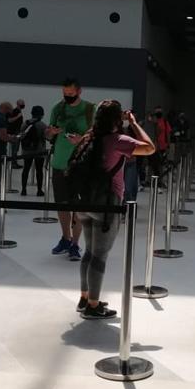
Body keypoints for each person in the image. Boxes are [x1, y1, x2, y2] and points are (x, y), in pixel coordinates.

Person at [73, 101, 155, 319]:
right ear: (118, 119)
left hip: (84, 202)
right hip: (106, 203)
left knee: (89, 251)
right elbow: (150, 147)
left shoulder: (88, 137)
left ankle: (85, 298)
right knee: (99, 256)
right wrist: (134, 123)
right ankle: (93, 306)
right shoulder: (118, 140)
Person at [47, 79, 95, 261]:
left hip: (81, 165)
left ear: (79, 91)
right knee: (62, 204)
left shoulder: (90, 109)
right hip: (59, 163)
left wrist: (81, 139)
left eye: (70, 93)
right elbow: (48, 133)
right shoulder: (57, 109)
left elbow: (96, 135)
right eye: (65, 93)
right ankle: (65, 238)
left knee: (79, 207)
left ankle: (75, 243)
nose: (67, 96)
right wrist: (51, 132)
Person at [20, 106, 48, 196]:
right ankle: (39, 190)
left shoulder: (25, 123)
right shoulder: (42, 125)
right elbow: (46, 137)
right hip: (39, 151)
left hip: (26, 150)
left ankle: (23, 189)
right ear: (42, 115)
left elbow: (21, 135)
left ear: (32, 113)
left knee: (26, 169)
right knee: (39, 170)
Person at [8, 99, 26, 168]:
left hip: (18, 131)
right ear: (18, 104)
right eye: (22, 103)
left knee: (16, 148)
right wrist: (18, 116)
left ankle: (14, 162)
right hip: (15, 132)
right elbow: (9, 120)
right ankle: (13, 163)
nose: (23, 105)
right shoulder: (15, 111)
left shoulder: (19, 111)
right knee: (15, 148)